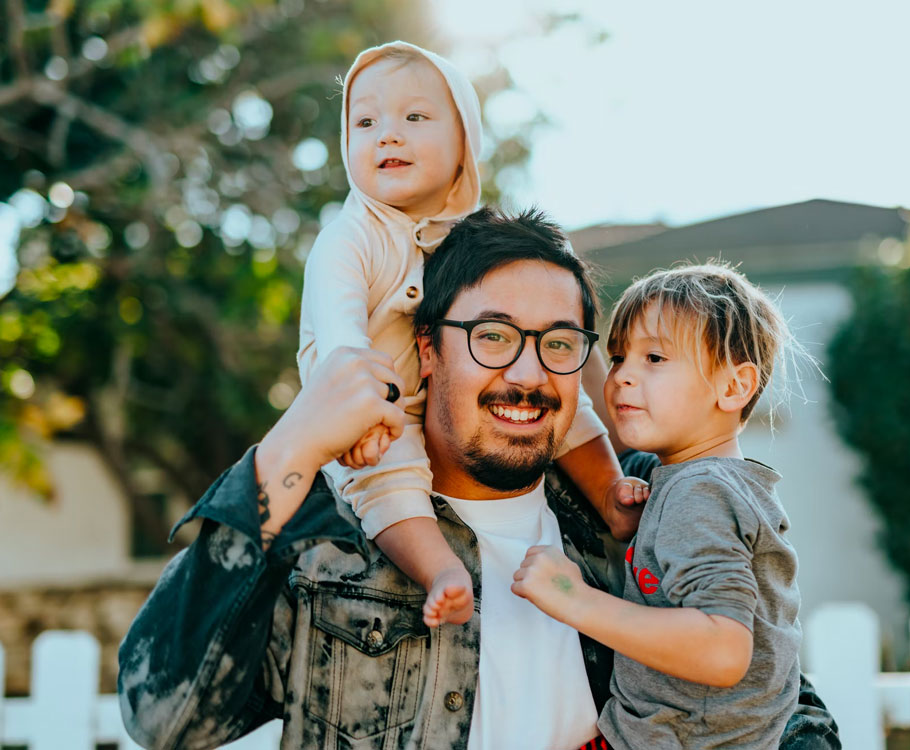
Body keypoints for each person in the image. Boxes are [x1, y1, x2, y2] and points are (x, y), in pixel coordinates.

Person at [118, 208, 840, 749]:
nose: (527, 373)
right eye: (492, 336)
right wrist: (288, 447)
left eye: (558, 343)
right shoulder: (325, 532)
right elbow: (163, 719)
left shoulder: (638, 504)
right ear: (428, 350)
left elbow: (773, 691)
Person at [297, 41, 645, 628]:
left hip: (429, 400)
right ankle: (440, 570)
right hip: (371, 412)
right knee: (388, 481)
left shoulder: (470, 241)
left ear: (465, 143)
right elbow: (341, 343)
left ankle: (610, 493)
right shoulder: (349, 239)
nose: (387, 135)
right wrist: (361, 417)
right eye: (365, 123)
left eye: (414, 117)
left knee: (565, 400)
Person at [513, 263, 812, 749]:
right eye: (617, 357)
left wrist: (573, 598)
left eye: (654, 357)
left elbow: (723, 650)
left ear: (733, 387)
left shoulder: (699, 492)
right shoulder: (709, 484)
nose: (622, 377)